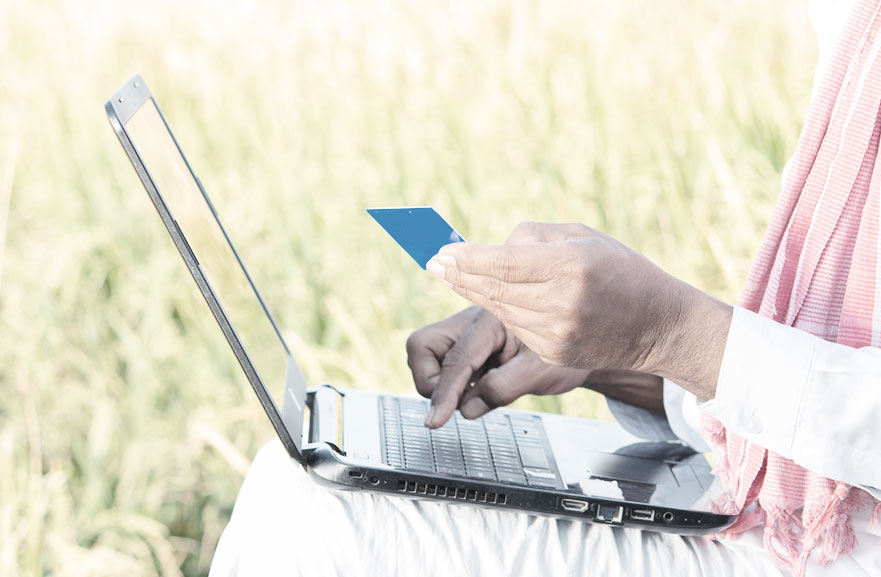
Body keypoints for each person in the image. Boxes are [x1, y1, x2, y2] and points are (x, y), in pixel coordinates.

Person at [209, 0, 881, 575]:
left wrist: (676, 335)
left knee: (310, 515)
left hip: (827, 547)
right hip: (792, 511)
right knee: (293, 482)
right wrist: (625, 356)